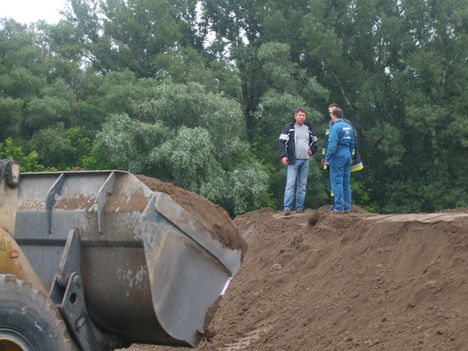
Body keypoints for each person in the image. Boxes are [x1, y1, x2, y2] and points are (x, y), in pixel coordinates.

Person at [321, 103, 363, 211]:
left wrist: (327, 159)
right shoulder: (349, 126)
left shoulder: (335, 127)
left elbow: (332, 145)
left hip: (338, 155)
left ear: (334, 116)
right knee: (346, 182)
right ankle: (347, 207)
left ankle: (339, 207)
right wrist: (350, 156)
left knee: (337, 181)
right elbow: (353, 143)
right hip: (348, 155)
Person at [278, 108, 318, 215]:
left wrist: (312, 150)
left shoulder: (308, 128)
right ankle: (287, 208)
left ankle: (299, 207)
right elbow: (282, 143)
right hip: (292, 160)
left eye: (303, 115)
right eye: (300, 115)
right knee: (290, 184)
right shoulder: (289, 127)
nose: (301, 117)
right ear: (295, 116)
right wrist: (283, 156)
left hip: (305, 160)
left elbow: (315, 141)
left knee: (302, 185)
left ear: (305, 117)